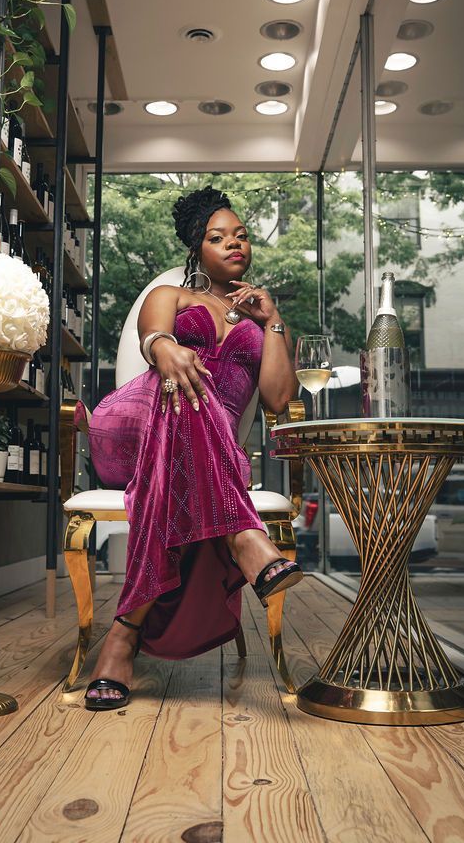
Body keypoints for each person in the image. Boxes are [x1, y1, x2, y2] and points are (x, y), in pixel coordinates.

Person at [83, 186, 302, 710]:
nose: (234, 244)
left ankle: (123, 637)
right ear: (195, 248)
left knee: (189, 417)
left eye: (242, 236)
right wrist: (164, 347)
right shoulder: (172, 296)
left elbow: (277, 398)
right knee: (181, 388)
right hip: (130, 428)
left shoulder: (262, 321)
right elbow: (152, 338)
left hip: (195, 458)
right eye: (217, 236)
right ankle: (244, 537)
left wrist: (272, 321)